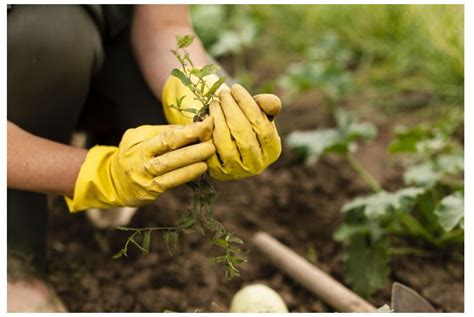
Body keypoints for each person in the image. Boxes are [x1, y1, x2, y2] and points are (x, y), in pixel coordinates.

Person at [7, 4, 282, 312]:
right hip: (31, 51)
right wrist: (96, 172)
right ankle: (14, 262)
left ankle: (100, 136)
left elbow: (164, 23)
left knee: (214, 114)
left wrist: (196, 101)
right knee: (49, 36)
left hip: (108, 45)